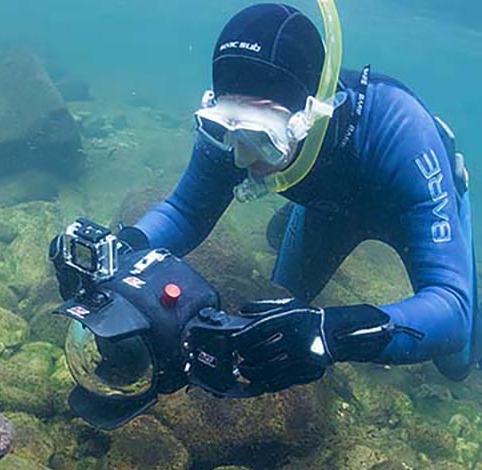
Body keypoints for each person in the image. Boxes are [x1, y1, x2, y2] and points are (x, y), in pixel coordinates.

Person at [68, 2, 475, 393]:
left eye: (263, 140)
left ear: (311, 118)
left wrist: (331, 334)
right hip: (326, 210)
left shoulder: (402, 133)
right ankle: (288, 216)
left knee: (457, 361)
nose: (242, 159)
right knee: (277, 306)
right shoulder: (233, 135)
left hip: (402, 207)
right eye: (225, 128)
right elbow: (185, 211)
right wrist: (119, 250)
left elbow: (451, 308)